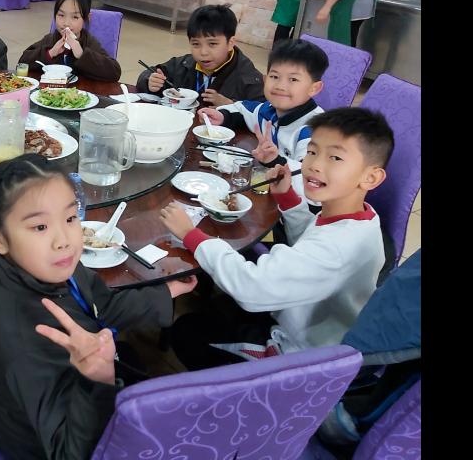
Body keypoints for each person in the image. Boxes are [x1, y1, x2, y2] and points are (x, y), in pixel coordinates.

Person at [0, 154, 198, 458]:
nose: (63, 240)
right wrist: (98, 379)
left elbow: (101, 305)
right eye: (40, 227)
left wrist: (166, 291)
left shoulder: (38, 265)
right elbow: (69, 452)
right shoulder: (26, 338)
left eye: (70, 218)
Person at [159, 107, 392, 370]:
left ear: (371, 177)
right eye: (312, 152)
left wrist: (191, 235)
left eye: (335, 158)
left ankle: (248, 388)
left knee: (187, 332)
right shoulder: (358, 216)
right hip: (309, 315)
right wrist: (287, 198)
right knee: (219, 301)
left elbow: (251, 288)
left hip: (301, 353)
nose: (315, 165)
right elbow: (311, 241)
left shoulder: (337, 247)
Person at [198, 38, 327, 201]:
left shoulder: (316, 131)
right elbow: (244, 109)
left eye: (293, 79)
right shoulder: (268, 110)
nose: (280, 86)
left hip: (298, 208)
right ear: (265, 79)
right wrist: (223, 116)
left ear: (314, 88)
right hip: (269, 192)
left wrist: (275, 161)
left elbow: (310, 177)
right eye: (275, 76)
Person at [136, 5, 265, 106]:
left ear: (230, 43)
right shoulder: (185, 64)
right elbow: (149, 73)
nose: (203, 52)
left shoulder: (248, 76)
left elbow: (265, 111)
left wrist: (232, 106)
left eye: (212, 44)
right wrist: (150, 82)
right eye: (196, 44)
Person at [19, 0, 121, 82]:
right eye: (61, 15)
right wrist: (50, 53)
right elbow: (22, 63)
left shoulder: (88, 42)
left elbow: (115, 72)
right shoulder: (51, 39)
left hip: (82, 92)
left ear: (86, 18)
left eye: (75, 17)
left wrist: (82, 55)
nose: (66, 23)